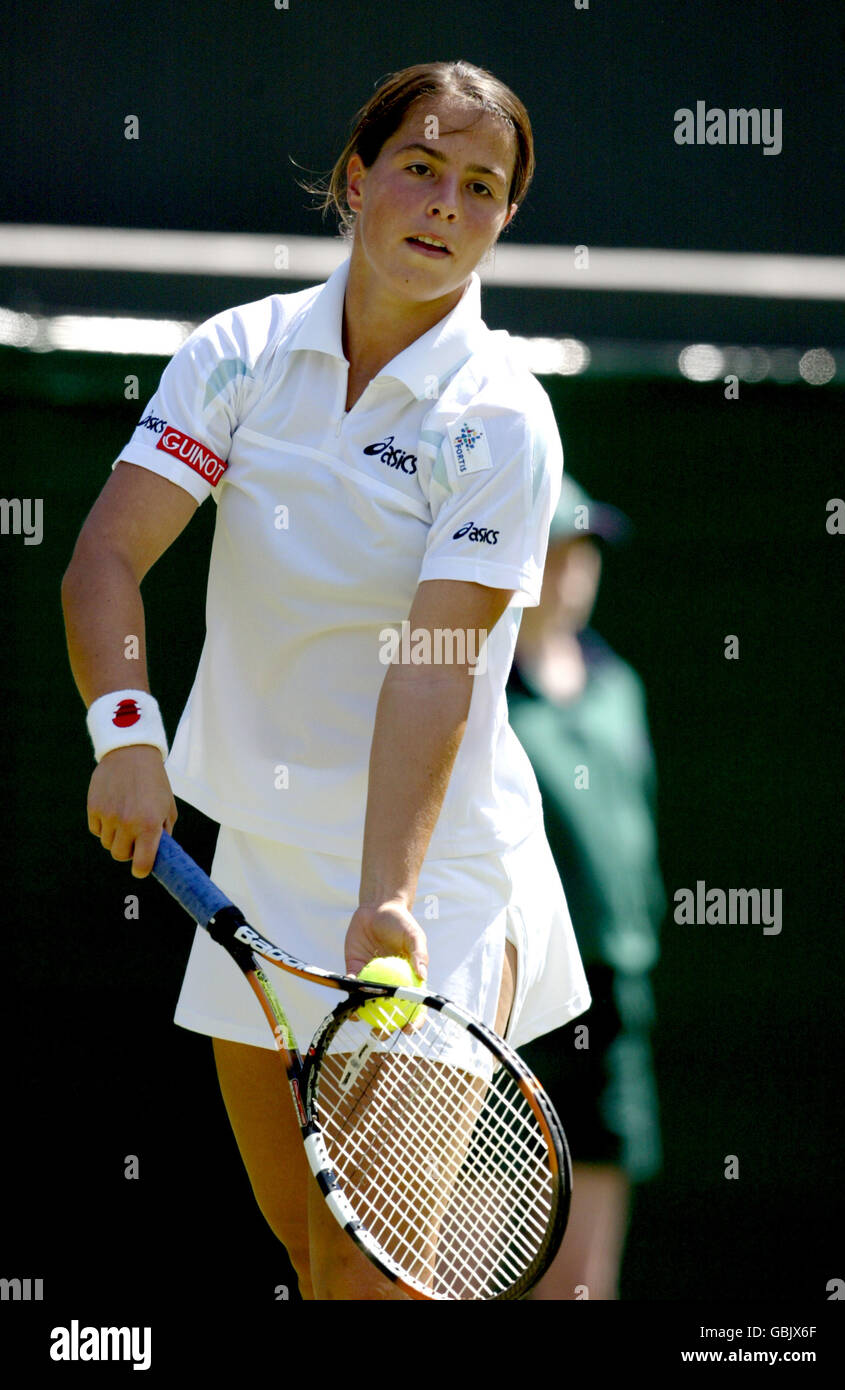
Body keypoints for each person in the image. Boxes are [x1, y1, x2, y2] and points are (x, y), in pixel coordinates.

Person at [61, 60, 592, 1301]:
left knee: (370, 1281)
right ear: (356, 182)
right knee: (309, 1257)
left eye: (480, 187)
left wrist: (388, 901)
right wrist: (125, 728)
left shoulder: (501, 416)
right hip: (257, 866)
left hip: (431, 888)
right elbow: (105, 555)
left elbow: (434, 664)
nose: (444, 204)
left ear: (501, 221)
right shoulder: (237, 355)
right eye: (419, 166)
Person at [507, 476, 665, 1300]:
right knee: (487, 1263)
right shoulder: (477, 691)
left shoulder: (620, 685)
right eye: (557, 549)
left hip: (614, 998)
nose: (574, 570)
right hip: (512, 1000)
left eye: (585, 551)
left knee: (581, 1284)